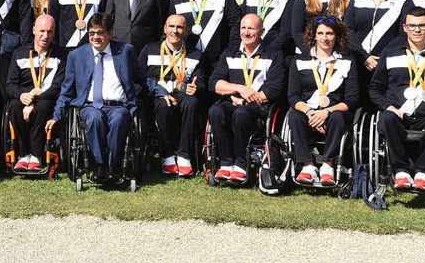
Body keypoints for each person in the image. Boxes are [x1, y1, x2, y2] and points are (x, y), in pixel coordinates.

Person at [49, 13, 139, 182]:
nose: (96, 37)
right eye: (92, 33)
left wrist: (162, 93)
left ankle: (114, 166)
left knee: (120, 118)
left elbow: (141, 78)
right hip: (90, 106)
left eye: (100, 32)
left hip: (118, 106)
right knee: (94, 118)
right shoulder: (76, 55)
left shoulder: (125, 51)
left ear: (110, 33)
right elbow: (66, 90)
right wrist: (56, 116)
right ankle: (99, 165)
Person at [369, 7, 425, 191]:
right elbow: (375, 88)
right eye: (412, 25)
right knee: (386, 118)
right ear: (405, 28)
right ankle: (401, 171)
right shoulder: (391, 53)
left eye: (422, 25)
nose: (417, 30)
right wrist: (387, 106)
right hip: (397, 114)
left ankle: (423, 172)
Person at [208, 14, 286, 184]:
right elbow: (215, 83)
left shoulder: (273, 54)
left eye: (251, 28)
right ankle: (226, 163)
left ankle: (241, 164)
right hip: (233, 101)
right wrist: (239, 89)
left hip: (259, 108)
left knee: (241, 113)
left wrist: (245, 100)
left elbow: (275, 88)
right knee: (215, 111)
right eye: (243, 28)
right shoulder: (230, 53)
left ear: (262, 31)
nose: (246, 32)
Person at [287, 16, 359, 186]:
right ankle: (308, 166)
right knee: (295, 116)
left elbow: (352, 98)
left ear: (337, 36)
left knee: (338, 117)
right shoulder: (299, 60)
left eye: (329, 33)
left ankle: (328, 165)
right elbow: (293, 96)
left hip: (334, 112)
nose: (325, 38)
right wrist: (311, 113)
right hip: (308, 111)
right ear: (314, 36)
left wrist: (325, 112)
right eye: (320, 33)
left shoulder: (347, 61)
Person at [139, 14, 203, 177]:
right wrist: (159, 92)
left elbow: (201, 79)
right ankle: (167, 155)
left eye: (180, 27)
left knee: (192, 102)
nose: (175, 31)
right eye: (172, 26)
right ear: (165, 29)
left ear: (186, 31)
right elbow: (139, 77)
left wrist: (196, 87)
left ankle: (184, 155)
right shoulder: (150, 49)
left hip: (182, 95)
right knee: (163, 104)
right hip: (156, 95)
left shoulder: (195, 54)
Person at [6, 14, 65, 173]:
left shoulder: (61, 55)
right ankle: (24, 154)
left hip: (47, 98)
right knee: (15, 106)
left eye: (50, 32)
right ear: (33, 30)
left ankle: (37, 155)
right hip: (24, 98)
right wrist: (21, 95)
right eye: (42, 31)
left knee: (43, 107)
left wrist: (34, 101)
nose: (45, 36)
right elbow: (10, 85)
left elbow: (58, 86)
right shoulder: (19, 53)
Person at [169, 0, 240, 69]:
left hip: (219, 63)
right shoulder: (176, 0)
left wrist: (229, 54)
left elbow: (236, 26)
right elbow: (170, 32)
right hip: (188, 64)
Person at [345, 0, 406, 77]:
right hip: (358, 62)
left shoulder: (404, 1)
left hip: (387, 65)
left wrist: (383, 59)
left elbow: (403, 35)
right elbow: (348, 30)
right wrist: (364, 56)